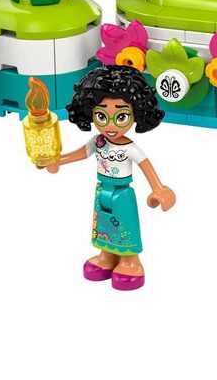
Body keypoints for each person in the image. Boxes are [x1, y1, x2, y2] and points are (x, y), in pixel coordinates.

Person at [45, 65, 175, 290]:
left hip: (122, 194)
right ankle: (107, 255)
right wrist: (58, 160)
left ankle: (130, 261)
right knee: (103, 225)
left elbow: (146, 166)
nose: (110, 125)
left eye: (121, 116)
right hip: (102, 190)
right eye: (101, 116)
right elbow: (81, 153)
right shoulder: (99, 141)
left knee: (126, 227)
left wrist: (158, 188)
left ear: (137, 114)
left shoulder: (130, 148)